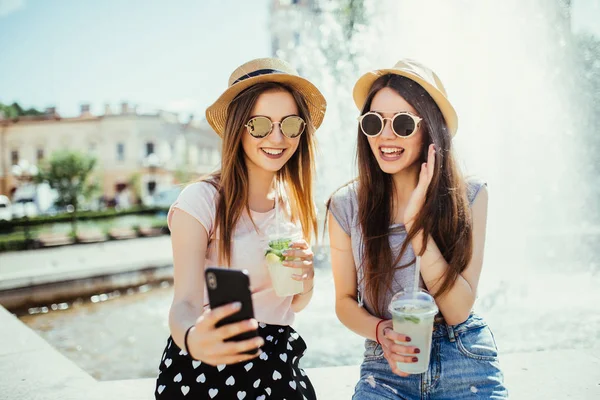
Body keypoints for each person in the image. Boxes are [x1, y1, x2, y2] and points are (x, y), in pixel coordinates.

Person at [327, 59, 507, 399]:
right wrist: (381, 331)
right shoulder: (345, 205)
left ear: (430, 130)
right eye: (373, 122)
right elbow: (344, 302)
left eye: (403, 123)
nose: (386, 135)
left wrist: (417, 227)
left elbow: (456, 311)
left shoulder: (471, 197)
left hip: (464, 355)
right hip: (386, 364)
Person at [155, 58, 326, 399]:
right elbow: (184, 304)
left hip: (279, 362)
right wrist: (192, 338)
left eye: (290, 124)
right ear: (238, 128)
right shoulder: (201, 201)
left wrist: (305, 282)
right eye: (260, 125)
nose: (277, 137)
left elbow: (292, 304)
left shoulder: (292, 204)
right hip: (209, 365)